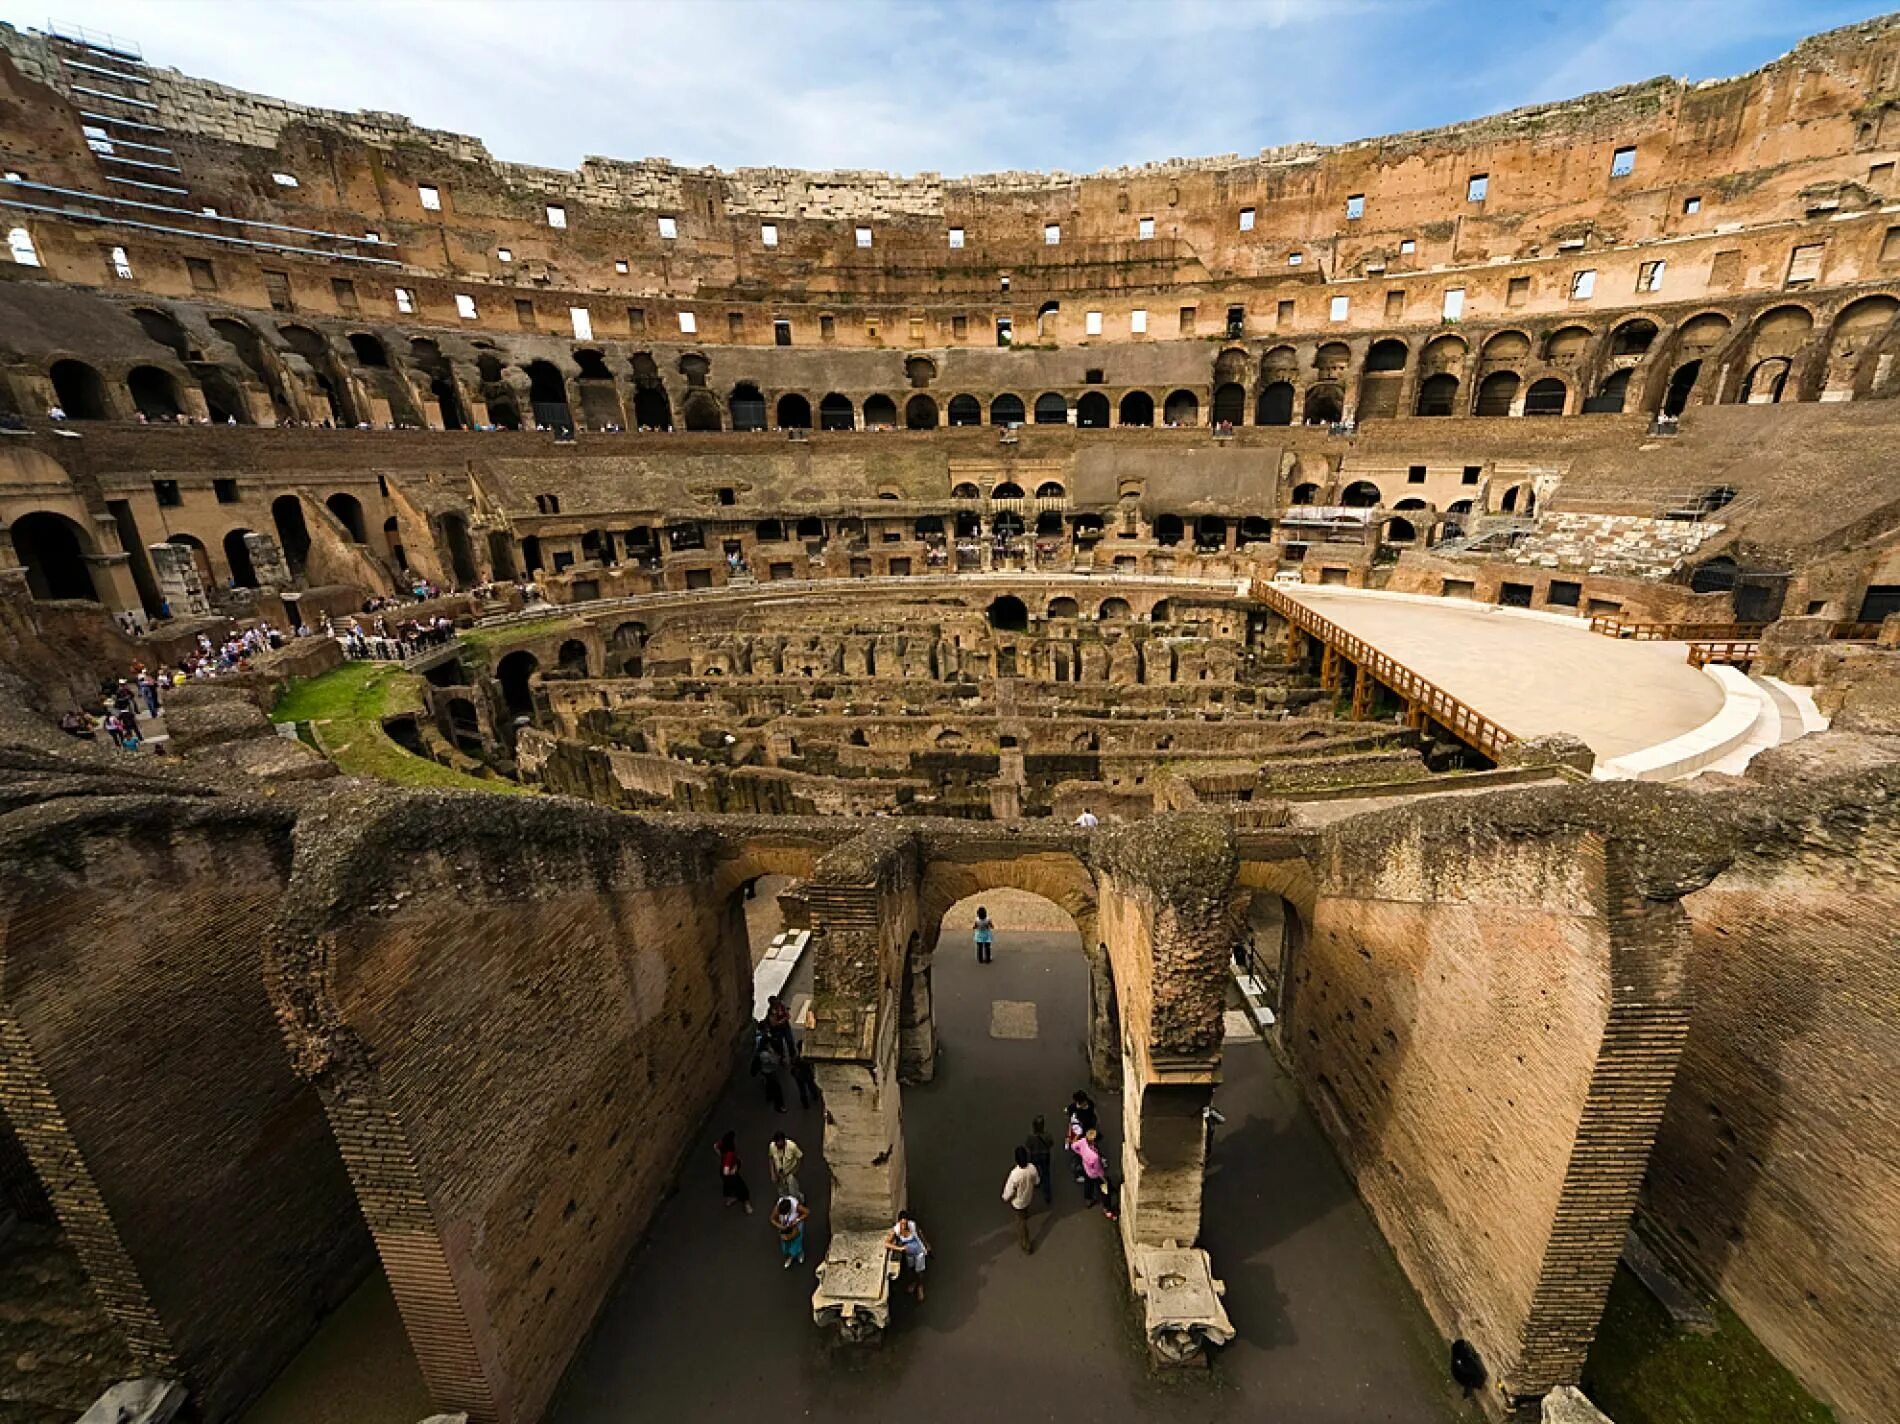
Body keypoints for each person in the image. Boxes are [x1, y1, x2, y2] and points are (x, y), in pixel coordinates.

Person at [1002, 1146, 1040, 1254]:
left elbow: (1009, 1190)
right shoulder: (1032, 1168)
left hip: (1018, 1202)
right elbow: (1037, 1181)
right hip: (1028, 1197)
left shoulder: (1015, 1174)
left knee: (1021, 1223)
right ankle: (1026, 1214)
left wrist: (1005, 1197)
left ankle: (1026, 1244)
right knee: (1025, 1208)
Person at [886, 1210, 930, 1300]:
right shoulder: (896, 1230)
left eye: (905, 1224)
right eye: (902, 1224)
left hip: (919, 1252)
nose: (903, 1226)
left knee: (919, 1271)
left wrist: (926, 1245)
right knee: (911, 1269)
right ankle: (914, 1283)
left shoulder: (913, 1225)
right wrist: (899, 1249)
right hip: (909, 1253)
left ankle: (920, 1287)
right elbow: (886, 1243)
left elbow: (920, 1234)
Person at [1077, 1127, 1116, 1219]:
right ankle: (1107, 1209)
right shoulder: (1094, 1156)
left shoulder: (1083, 1143)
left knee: (1088, 1184)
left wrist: (1081, 1154)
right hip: (1096, 1174)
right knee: (1104, 1190)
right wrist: (1103, 1178)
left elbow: (1074, 1146)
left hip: (1087, 1170)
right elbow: (1098, 1169)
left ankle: (1088, 1199)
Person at [752, 1022, 787, 1113]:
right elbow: (775, 1061)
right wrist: (774, 1053)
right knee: (777, 1089)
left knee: (768, 1085)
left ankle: (769, 1097)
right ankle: (779, 1106)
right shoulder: (765, 1054)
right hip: (770, 1071)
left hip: (765, 1071)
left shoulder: (759, 1043)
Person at [716, 1131, 752, 1214]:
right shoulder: (729, 1154)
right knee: (741, 1187)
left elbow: (715, 1146)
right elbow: (726, 1171)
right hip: (730, 1173)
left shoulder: (722, 1144)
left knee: (728, 1186)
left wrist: (721, 1156)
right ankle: (746, 1204)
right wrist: (733, 1170)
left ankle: (731, 1198)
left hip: (722, 1171)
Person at [772, 1194, 810, 1268]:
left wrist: (796, 1220)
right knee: (786, 1244)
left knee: (797, 1241)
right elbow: (772, 1219)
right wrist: (779, 1225)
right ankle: (790, 1257)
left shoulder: (796, 1206)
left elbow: (807, 1212)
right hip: (785, 1228)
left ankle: (800, 1253)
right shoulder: (778, 1207)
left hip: (796, 1226)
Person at [1024, 1116, 1055, 1205]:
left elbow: (1028, 1146)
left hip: (1034, 1156)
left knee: (1036, 1170)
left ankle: (1037, 1182)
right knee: (1046, 1174)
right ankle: (1047, 1194)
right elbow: (1051, 1144)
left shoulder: (1030, 1136)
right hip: (1045, 1155)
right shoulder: (1047, 1135)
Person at [768, 1131, 803, 1202]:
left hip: (789, 1172)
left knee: (794, 1193)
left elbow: (799, 1158)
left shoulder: (792, 1146)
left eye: (781, 1143)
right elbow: (771, 1158)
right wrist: (773, 1173)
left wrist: (794, 1172)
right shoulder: (772, 1146)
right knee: (782, 1192)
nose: (779, 1145)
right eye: (777, 1144)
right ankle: (787, 1206)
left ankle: (800, 1202)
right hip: (779, 1174)